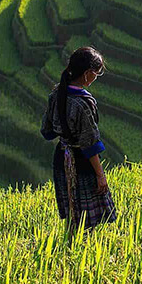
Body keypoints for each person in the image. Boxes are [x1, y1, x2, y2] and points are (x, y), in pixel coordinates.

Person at [40, 46, 117, 232]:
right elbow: (89, 144)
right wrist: (100, 175)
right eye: (96, 74)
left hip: (61, 158)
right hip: (81, 163)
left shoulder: (56, 94)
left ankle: (70, 247)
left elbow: (47, 131)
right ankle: (81, 252)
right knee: (88, 220)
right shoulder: (83, 103)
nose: (95, 78)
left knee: (72, 213)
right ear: (87, 73)